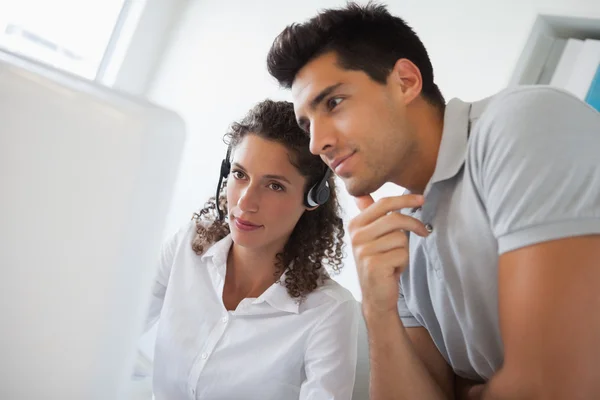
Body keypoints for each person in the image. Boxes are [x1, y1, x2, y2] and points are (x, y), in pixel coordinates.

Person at [266, 3, 600, 400]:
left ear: (406, 81)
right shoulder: (398, 234)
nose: (316, 142)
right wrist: (377, 308)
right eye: (307, 124)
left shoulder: (521, 123)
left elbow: (552, 384)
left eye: (334, 103)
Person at [143, 99, 359, 399]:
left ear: (313, 199)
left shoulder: (328, 311)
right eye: (239, 174)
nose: (245, 202)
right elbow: (113, 326)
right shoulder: (190, 245)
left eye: (274, 186)